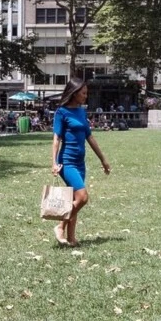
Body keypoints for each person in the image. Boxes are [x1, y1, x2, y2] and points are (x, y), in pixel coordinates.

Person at [51, 77, 111, 247]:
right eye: (83, 93)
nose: (86, 96)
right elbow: (56, 139)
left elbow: (89, 137)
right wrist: (54, 163)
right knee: (83, 198)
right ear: (74, 93)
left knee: (74, 198)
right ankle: (60, 226)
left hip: (80, 162)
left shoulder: (81, 112)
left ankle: (71, 238)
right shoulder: (61, 112)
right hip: (66, 162)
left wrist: (103, 159)